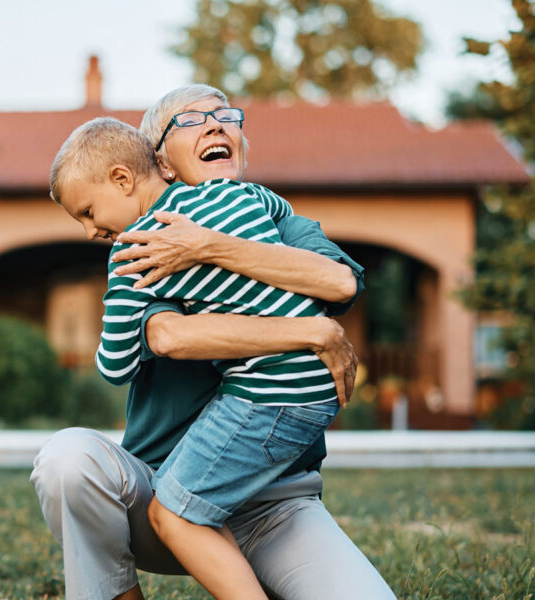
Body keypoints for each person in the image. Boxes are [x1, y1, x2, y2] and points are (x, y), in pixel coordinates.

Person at [30, 85, 395, 600]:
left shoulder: (273, 214)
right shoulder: (152, 243)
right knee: (69, 458)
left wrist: (210, 246)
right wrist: (312, 330)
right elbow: (167, 334)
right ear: (162, 162)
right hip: (162, 495)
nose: (217, 125)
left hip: (276, 504)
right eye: (192, 120)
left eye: (227, 116)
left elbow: (339, 282)